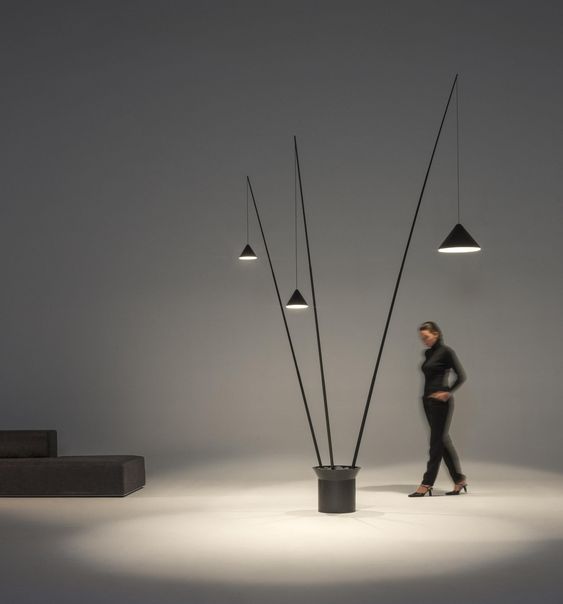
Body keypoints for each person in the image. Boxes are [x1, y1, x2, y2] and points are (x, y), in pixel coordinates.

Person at [408, 321, 468, 497]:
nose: (424, 341)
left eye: (426, 337)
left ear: (436, 334)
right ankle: (459, 479)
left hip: (440, 404)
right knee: (441, 441)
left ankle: (427, 483)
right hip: (427, 401)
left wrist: (447, 392)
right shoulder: (427, 353)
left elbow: (461, 376)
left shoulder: (446, 352)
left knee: (435, 442)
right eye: (422, 338)